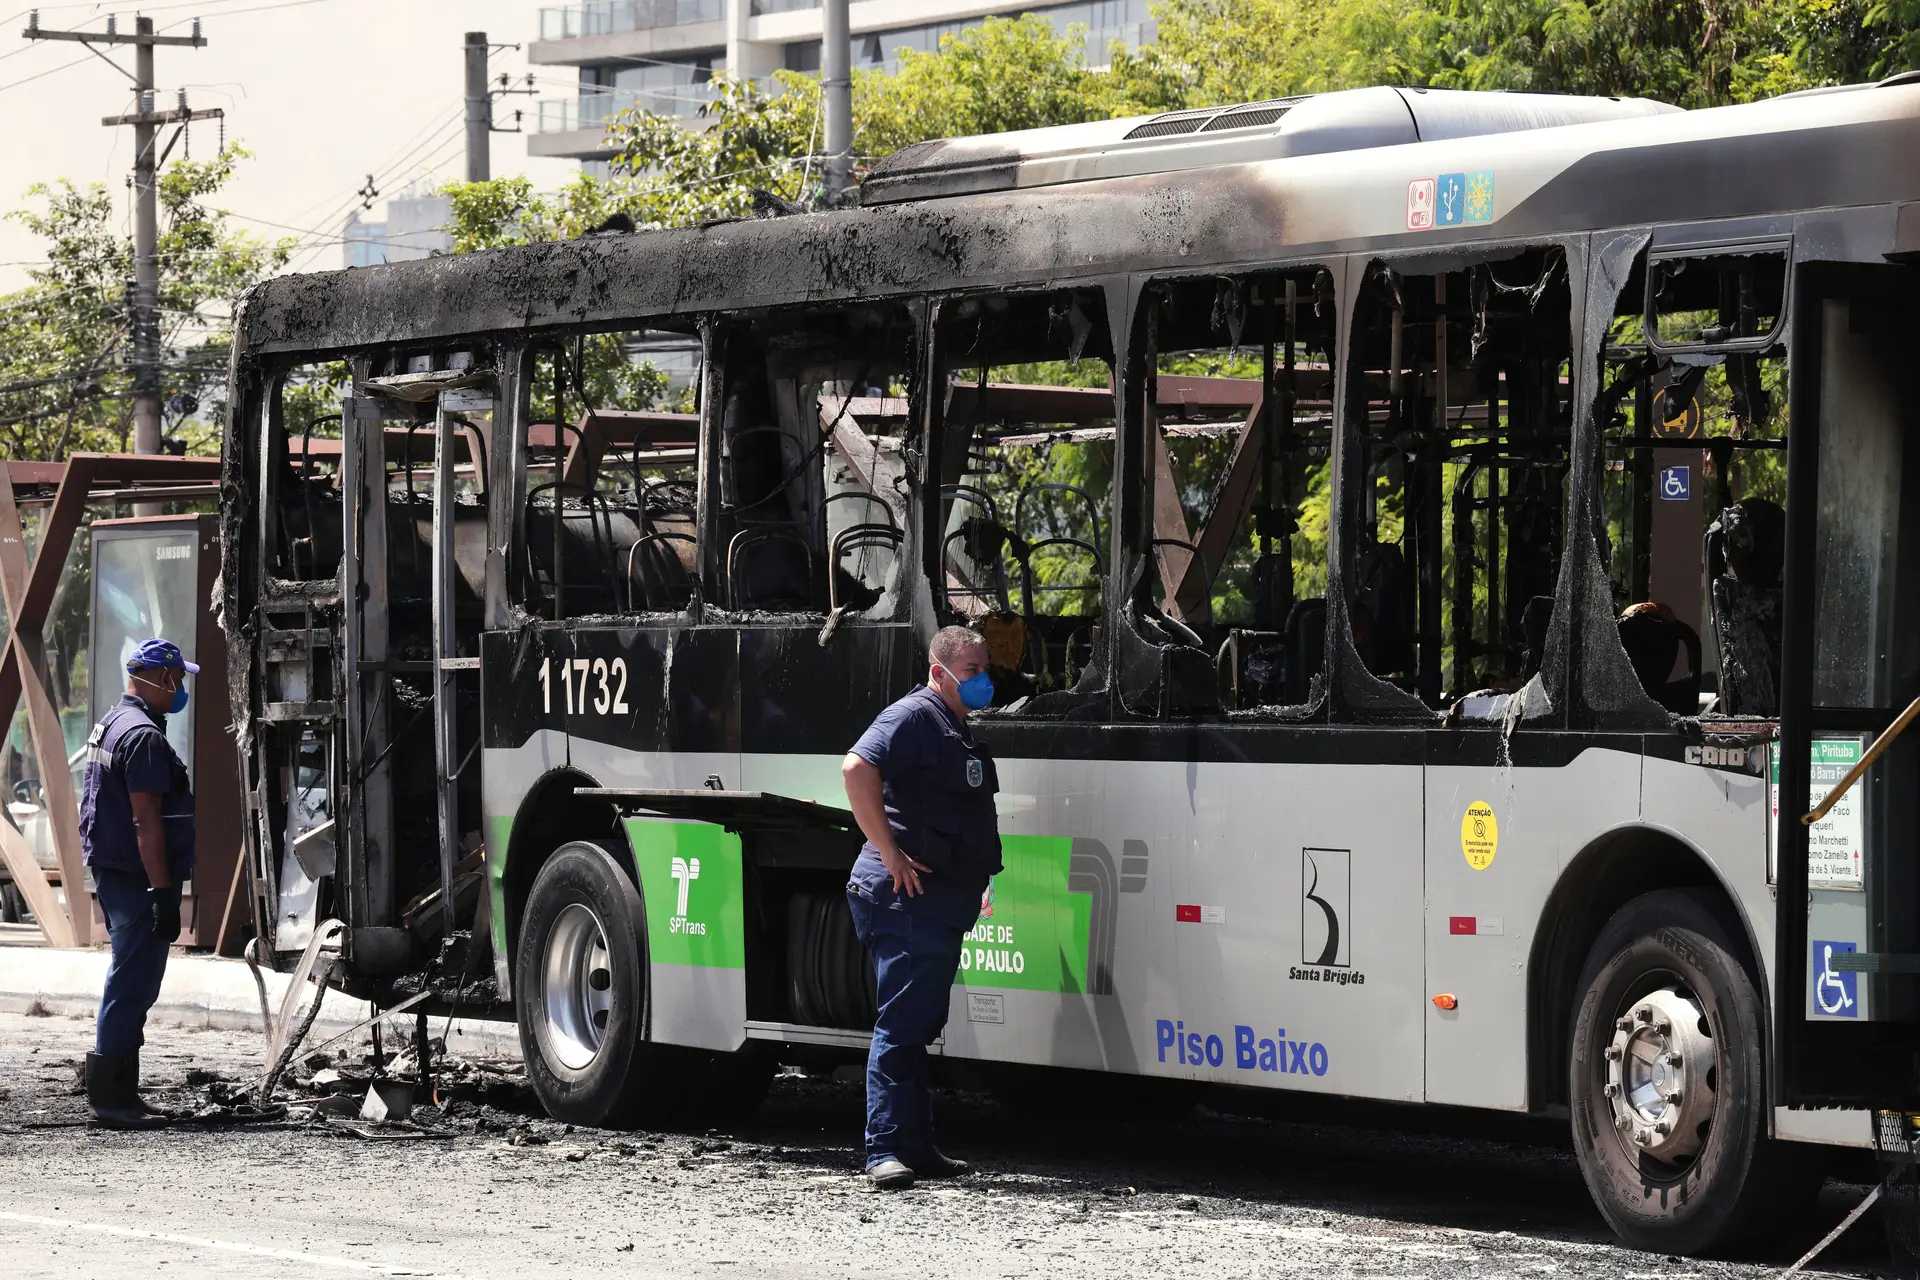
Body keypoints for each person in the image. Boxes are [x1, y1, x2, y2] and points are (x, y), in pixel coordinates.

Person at [842, 625, 1000, 1190]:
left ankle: (917, 1147)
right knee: (903, 1024)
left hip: (937, 904)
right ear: (940, 673)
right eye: (972, 669)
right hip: (905, 901)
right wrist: (891, 854)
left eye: (985, 666)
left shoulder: (953, 725)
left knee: (920, 1023)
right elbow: (856, 768)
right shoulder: (913, 715)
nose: (983, 678)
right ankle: (884, 1150)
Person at [79, 637, 199, 1130]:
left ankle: (123, 1092)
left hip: (116, 871)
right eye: (179, 680)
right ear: (164, 678)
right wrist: (163, 892)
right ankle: (111, 1099)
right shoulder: (144, 736)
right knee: (133, 981)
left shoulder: (113, 722)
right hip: (135, 877)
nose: (182, 689)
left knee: (131, 979)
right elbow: (145, 822)